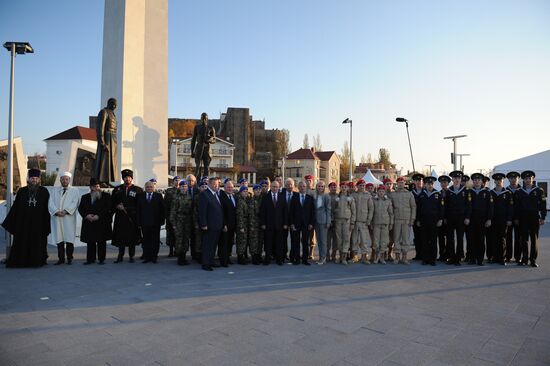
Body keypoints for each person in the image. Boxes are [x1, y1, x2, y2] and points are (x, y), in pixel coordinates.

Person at [2, 169, 51, 267]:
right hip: (23, 223)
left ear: (39, 179)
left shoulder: (44, 191)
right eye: (32, 178)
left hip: (38, 223)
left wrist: (46, 223)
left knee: (37, 242)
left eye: (36, 178)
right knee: (22, 242)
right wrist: (10, 221)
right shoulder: (22, 191)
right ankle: (22, 261)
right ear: (28, 179)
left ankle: (37, 261)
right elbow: (16, 207)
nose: (34, 180)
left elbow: (47, 208)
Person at [514, 170, 546, 267]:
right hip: (523, 218)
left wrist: (543, 217)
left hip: (534, 218)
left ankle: (532, 260)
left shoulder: (539, 191)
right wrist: (516, 218)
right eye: (526, 178)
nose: (528, 180)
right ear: (523, 180)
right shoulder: (519, 192)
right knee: (524, 239)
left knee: (534, 239)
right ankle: (524, 259)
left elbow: (543, 205)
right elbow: (516, 206)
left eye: (530, 178)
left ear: (533, 179)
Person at [48, 172, 81, 265]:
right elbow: (50, 203)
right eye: (63, 179)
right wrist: (56, 211)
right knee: (59, 239)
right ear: (60, 180)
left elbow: (75, 202)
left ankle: (70, 258)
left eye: (66, 179)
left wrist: (66, 211)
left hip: (68, 218)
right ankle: (61, 259)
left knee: (69, 238)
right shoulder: (54, 190)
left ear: (69, 180)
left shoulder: (75, 190)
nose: (64, 181)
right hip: (57, 218)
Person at [78, 178, 113, 265]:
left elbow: (108, 208)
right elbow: (81, 208)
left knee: (101, 242)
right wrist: (87, 215)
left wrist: (98, 216)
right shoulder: (85, 197)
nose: (96, 188)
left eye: (98, 186)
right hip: (89, 222)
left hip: (101, 222)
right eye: (94, 186)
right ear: (90, 187)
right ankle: (90, 259)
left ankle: (101, 259)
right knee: (90, 242)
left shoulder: (106, 196)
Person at [112, 169, 143, 263]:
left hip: (132, 218)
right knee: (121, 237)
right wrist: (117, 206)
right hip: (120, 218)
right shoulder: (117, 189)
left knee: (132, 238)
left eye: (129, 177)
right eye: (125, 177)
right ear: (123, 179)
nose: (127, 179)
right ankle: (120, 256)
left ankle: (131, 256)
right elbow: (111, 202)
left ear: (131, 178)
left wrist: (129, 209)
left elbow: (140, 205)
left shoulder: (138, 190)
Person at [445, 171, 471, 265]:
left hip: (461, 219)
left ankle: (458, 258)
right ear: (452, 179)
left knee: (460, 239)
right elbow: (446, 206)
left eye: (458, 178)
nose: (456, 180)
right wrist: (445, 218)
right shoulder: (448, 191)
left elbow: (469, 206)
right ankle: (452, 257)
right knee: (450, 239)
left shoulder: (466, 191)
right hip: (451, 218)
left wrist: (467, 217)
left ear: (461, 179)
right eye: (455, 178)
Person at [416, 176, 444, 266]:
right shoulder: (422, 194)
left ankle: (433, 259)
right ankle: (425, 259)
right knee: (424, 240)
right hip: (424, 221)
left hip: (434, 221)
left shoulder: (438, 194)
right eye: (428, 184)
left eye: (431, 184)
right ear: (425, 184)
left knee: (433, 241)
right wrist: (418, 219)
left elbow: (441, 208)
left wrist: (440, 219)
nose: (430, 185)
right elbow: (418, 208)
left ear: (433, 184)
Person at [487, 173, 514, 265]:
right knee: (493, 238)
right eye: (497, 180)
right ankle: (494, 257)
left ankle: (502, 258)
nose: (498, 182)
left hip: (503, 220)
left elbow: (510, 207)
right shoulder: (490, 193)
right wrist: (488, 219)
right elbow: (488, 207)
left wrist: (509, 219)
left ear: (503, 181)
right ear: (494, 181)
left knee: (502, 238)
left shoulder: (508, 193)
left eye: (500, 180)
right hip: (493, 219)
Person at [199, 177, 224, 271]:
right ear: (209, 184)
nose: (216, 186)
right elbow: (202, 211)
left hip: (217, 225)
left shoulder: (216, 194)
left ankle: (211, 261)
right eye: (214, 184)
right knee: (207, 246)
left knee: (213, 245)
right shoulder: (204, 195)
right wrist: (204, 224)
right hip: (209, 226)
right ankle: (206, 264)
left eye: (217, 184)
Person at [468, 173, 493, 265]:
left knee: (481, 240)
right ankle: (472, 259)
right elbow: (467, 206)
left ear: (482, 181)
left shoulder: (487, 192)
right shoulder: (469, 192)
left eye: (478, 180)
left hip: (483, 220)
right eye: (475, 180)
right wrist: (467, 218)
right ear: (473, 181)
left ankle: (480, 259)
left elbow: (490, 207)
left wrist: (489, 219)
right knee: (472, 240)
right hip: (472, 219)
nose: (477, 181)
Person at [260, 181, 288, 265]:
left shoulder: (282, 197)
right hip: (268, 225)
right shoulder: (265, 197)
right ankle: (267, 259)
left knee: (279, 243)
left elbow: (285, 212)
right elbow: (262, 212)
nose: (275, 188)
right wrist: (263, 223)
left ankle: (279, 259)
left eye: (276, 187)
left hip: (279, 225)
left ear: (279, 188)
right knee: (268, 243)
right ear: (270, 187)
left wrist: (285, 223)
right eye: (273, 186)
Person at [137, 181, 165, 263]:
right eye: (147, 187)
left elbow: (162, 210)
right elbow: (138, 210)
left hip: (155, 223)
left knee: (155, 240)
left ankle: (154, 257)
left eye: (151, 187)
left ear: (154, 188)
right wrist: (138, 222)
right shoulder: (140, 196)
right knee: (146, 240)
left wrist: (162, 220)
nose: (149, 188)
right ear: (145, 188)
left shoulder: (158, 196)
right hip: (144, 223)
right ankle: (147, 256)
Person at [289, 181, 315, 265]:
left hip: (306, 224)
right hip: (296, 224)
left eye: (304, 186)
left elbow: (312, 212)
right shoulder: (294, 197)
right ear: (298, 188)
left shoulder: (309, 198)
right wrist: (292, 223)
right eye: (300, 186)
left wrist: (311, 223)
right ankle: (297, 259)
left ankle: (305, 259)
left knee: (305, 242)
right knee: (296, 242)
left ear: (306, 187)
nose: (302, 188)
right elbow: (291, 212)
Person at [391, 177, 416, 264]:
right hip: (396, 219)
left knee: (405, 239)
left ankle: (404, 257)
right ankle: (397, 257)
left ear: (404, 183)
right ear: (396, 184)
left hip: (406, 219)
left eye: (402, 182)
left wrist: (412, 219)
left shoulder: (409, 194)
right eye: (399, 183)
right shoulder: (393, 194)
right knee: (396, 238)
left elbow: (413, 207)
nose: (401, 184)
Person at [93, 97, 118, 185]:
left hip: (113, 138)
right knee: (104, 159)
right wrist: (102, 142)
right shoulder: (104, 112)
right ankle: (100, 180)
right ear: (109, 103)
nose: (115, 106)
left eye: (116, 105)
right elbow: (100, 128)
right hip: (106, 138)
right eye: (113, 104)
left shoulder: (113, 113)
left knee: (111, 160)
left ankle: (107, 180)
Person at [351, 179, 374, 264]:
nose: (362, 187)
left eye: (363, 186)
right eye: (360, 185)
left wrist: (369, 220)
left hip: (364, 221)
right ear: (357, 186)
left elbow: (371, 209)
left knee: (364, 240)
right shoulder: (353, 195)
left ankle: (364, 257)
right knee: (354, 240)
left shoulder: (368, 196)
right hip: (355, 221)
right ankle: (355, 256)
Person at [170, 180, 193, 265]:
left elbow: (191, 210)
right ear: (180, 187)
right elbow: (173, 211)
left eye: (185, 186)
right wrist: (173, 223)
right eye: (182, 186)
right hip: (179, 219)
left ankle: (184, 256)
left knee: (186, 239)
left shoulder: (189, 197)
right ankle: (180, 258)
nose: (184, 188)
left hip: (187, 220)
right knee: (179, 239)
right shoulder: (176, 197)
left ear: (187, 187)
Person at [333, 181, 355, 265]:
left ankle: (344, 257)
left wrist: (352, 222)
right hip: (338, 221)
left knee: (346, 239)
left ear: (347, 188)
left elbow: (353, 211)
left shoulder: (350, 198)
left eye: (345, 187)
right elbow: (333, 209)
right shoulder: (336, 198)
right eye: (342, 187)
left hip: (347, 221)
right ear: (340, 188)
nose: (344, 188)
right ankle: (340, 256)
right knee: (339, 239)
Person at [371, 185, 393, 264]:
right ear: (377, 192)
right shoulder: (374, 200)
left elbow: (391, 213)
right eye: (379, 191)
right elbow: (371, 212)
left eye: (383, 191)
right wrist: (371, 222)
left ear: (385, 192)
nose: (381, 193)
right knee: (376, 241)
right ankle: (376, 257)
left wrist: (391, 223)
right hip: (376, 223)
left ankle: (382, 257)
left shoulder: (388, 201)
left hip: (385, 223)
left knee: (384, 241)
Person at [190, 112, 216, 178]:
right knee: (198, 166)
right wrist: (192, 151)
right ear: (201, 119)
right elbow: (193, 140)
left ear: (207, 119)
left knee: (206, 167)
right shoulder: (197, 127)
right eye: (202, 118)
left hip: (207, 148)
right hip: (198, 148)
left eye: (205, 118)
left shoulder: (211, 127)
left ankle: (205, 181)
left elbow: (214, 140)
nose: (204, 120)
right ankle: (197, 182)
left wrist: (210, 140)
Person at [313, 180, 331, 265]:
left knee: (323, 241)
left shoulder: (326, 196)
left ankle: (323, 258)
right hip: (316, 221)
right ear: (316, 187)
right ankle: (320, 257)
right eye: (319, 186)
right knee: (319, 240)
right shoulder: (315, 196)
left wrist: (328, 222)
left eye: (322, 186)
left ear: (324, 188)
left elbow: (328, 210)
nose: (320, 188)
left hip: (323, 221)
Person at [219, 179, 237, 266]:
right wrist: (224, 224)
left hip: (233, 225)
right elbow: (222, 213)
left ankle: (228, 258)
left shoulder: (233, 196)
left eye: (231, 187)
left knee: (230, 242)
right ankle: (223, 260)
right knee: (224, 244)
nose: (230, 188)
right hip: (225, 225)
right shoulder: (222, 198)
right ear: (224, 188)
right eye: (228, 187)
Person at [505, 171, 521, 263]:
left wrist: (518, 218)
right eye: (511, 178)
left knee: (519, 238)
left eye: (515, 178)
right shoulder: (506, 191)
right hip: (508, 219)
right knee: (508, 238)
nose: (513, 180)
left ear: (518, 179)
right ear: (508, 179)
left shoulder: (522, 191)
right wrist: (508, 219)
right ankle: (508, 256)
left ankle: (518, 257)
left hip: (519, 219)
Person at [192, 180, 209, 264]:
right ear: (199, 188)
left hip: (208, 222)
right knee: (198, 240)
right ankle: (198, 256)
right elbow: (195, 211)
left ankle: (205, 255)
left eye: (206, 187)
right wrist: (196, 223)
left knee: (206, 240)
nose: (204, 188)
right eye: (202, 187)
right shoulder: (196, 197)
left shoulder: (209, 196)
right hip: (199, 222)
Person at [164, 176, 180, 257]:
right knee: (170, 233)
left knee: (177, 234)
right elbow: (165, 203)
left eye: (178, 181)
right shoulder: (169, 191)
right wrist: (167, 215)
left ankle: (177, 250)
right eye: (176, 180)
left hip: (179, 216)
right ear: (173, 182)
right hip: (170, 215)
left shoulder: (182, 190)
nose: (177, 182)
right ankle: (170, 251)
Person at [282, 178, 298, 261]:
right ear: (285, 186)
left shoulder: (296, 195)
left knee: (294, 239)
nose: (289, 186)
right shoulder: (281, 195)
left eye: (291, 184)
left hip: (293, 222)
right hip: (284, 221)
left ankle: (293, 256)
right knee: (283, 239)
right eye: (287, 185)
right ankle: (284, 255)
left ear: (293, 185)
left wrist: (294, 222)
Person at [410, 173, 425, 260]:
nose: (419, 182)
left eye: (420, 180)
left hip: (423, 218)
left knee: (424, 237)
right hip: (415, 218)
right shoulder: (411, 193)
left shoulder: (426, 191)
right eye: (417, 180)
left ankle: (424, 254)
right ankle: (418, 254)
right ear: (414, 182)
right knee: (417, 237)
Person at [249, 184, 264, 264]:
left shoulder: (262, 199)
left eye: (259, 189)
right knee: (254, 241)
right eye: (256, 189)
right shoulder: (252, 200)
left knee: (260, 241)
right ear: (253, 191)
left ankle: (259, 255)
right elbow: (251, 215)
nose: (258, 191)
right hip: (254, 225)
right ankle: (254, 257)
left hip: (261, 224)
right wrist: (252, 226)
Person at [437, 175, 451, 262]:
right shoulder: (438, 194)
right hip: (440, 219)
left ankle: (448, 255)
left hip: (449, 219)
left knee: (449, 238)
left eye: (445, 182)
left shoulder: (451, 193)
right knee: (441, 238)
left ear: (448, 183)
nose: (443, 184)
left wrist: (447, 218)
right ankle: (442, 255)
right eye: (442, 182)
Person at [236, 185, 251, 264]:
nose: (245, 193)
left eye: (246, 191)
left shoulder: (245, 200)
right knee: (241, 241)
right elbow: (240, 215)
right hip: (242, 225)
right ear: (240, 192)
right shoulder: (240, 201)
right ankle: (240, 258)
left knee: (244, 241)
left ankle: (243, 256)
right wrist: (241, 227)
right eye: (243, 191)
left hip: (246, 224)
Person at [326, 182, 339, 262]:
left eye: (335, 187)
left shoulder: (339, 196)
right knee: (327, 240)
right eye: (332, 187)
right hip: (328, 220)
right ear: (329, 188)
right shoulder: (326, 196)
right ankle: (327, 256)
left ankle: (333, 255)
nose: (334, 188)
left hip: (337, 220)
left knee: (335, 240)